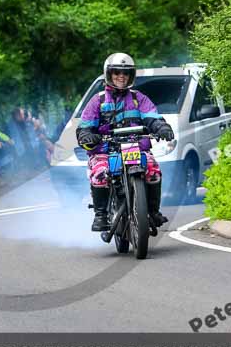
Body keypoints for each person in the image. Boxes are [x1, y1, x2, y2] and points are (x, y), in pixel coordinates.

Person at [75, 53, 175, 232]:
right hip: (105, 151)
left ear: (131, 75)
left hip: (135, 147)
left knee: (153, 170)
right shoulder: (97, 100)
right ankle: (101, 215)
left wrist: (162, 127)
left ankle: (153, 212)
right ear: (109, 74)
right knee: (100, 173)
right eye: (116, 72)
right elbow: (85, 127)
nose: (121, 76)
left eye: (126, 73)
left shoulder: (139, 98)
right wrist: (87, 136)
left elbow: (152, 117)